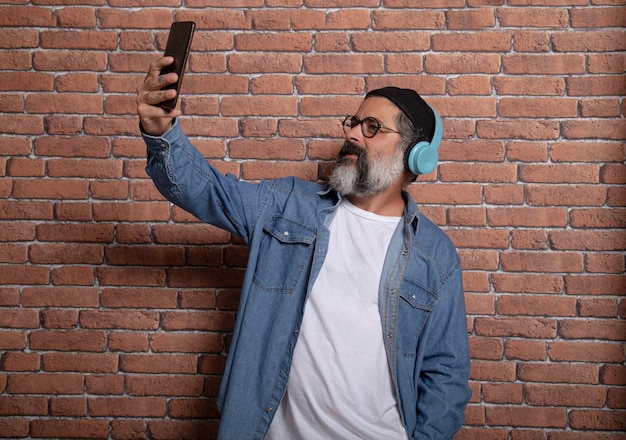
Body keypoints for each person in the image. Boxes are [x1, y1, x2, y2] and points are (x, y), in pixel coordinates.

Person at [136, 55, 471, 440]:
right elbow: (207, 190)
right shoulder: (287, 205)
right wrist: (161, 131)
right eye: (354, 123)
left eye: (372, 127)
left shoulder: (435, 257)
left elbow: (446, 375)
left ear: (415, 155)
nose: (353, 134)